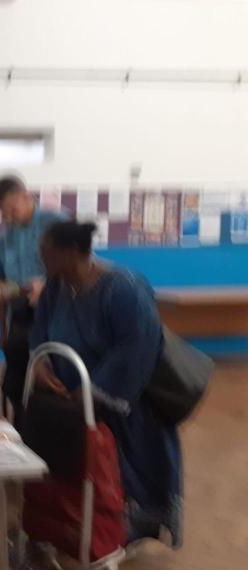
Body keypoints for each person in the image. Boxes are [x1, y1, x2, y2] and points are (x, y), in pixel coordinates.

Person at [30, 220, 183, 547]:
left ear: (71, 252)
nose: (40, 258)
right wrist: (40, 362)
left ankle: (128, 525)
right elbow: (40, 330)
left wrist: (95, 390)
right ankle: (85, 520)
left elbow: (136, 347)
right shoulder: (56, 286)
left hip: (126, 407)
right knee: (83, 469)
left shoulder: (124, 289)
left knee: (128, 470)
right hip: (73, 404)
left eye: (46, 251)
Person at [0, 176, 65, 431]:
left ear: (25, 197)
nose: (7, 217)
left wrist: (48, 284)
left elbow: (80, 268)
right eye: (2, 212)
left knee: (51, 384)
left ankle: (49, 438)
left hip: (57, 315)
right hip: (20, 318)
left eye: (11, 209)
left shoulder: (56, 223)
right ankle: (21, 432)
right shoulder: (5, 238)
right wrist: (3, 331)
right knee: (15, 384)